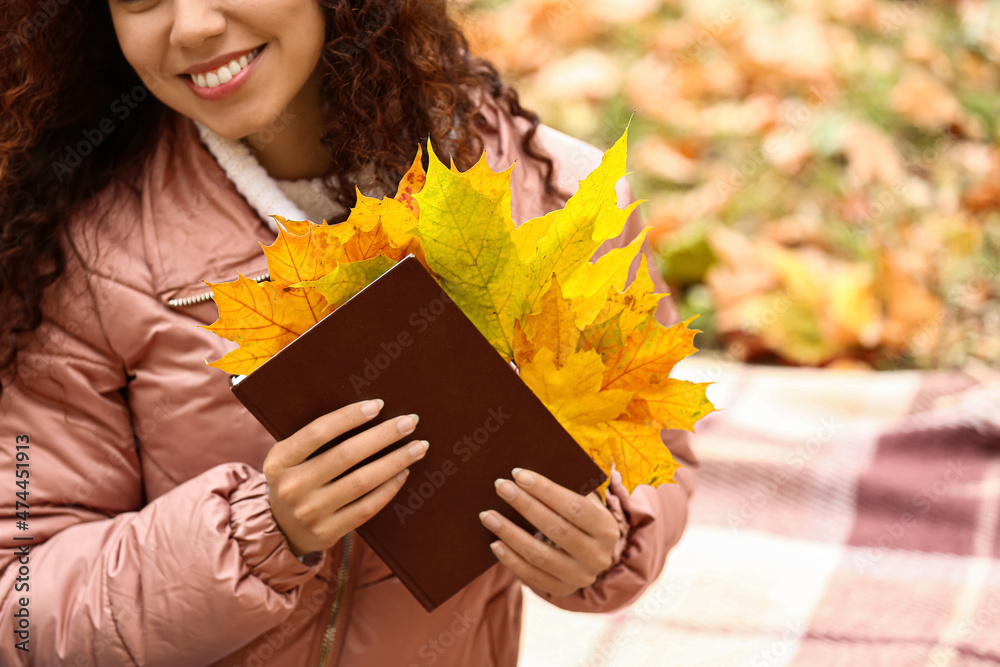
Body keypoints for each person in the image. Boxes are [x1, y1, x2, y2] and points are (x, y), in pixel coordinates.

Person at [0, 1, 699, 664]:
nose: (193, 26)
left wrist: (607, 540)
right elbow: (22, 601)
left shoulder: (549, 194)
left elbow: (651, 454)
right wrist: (259, 531)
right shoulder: (83, 255)